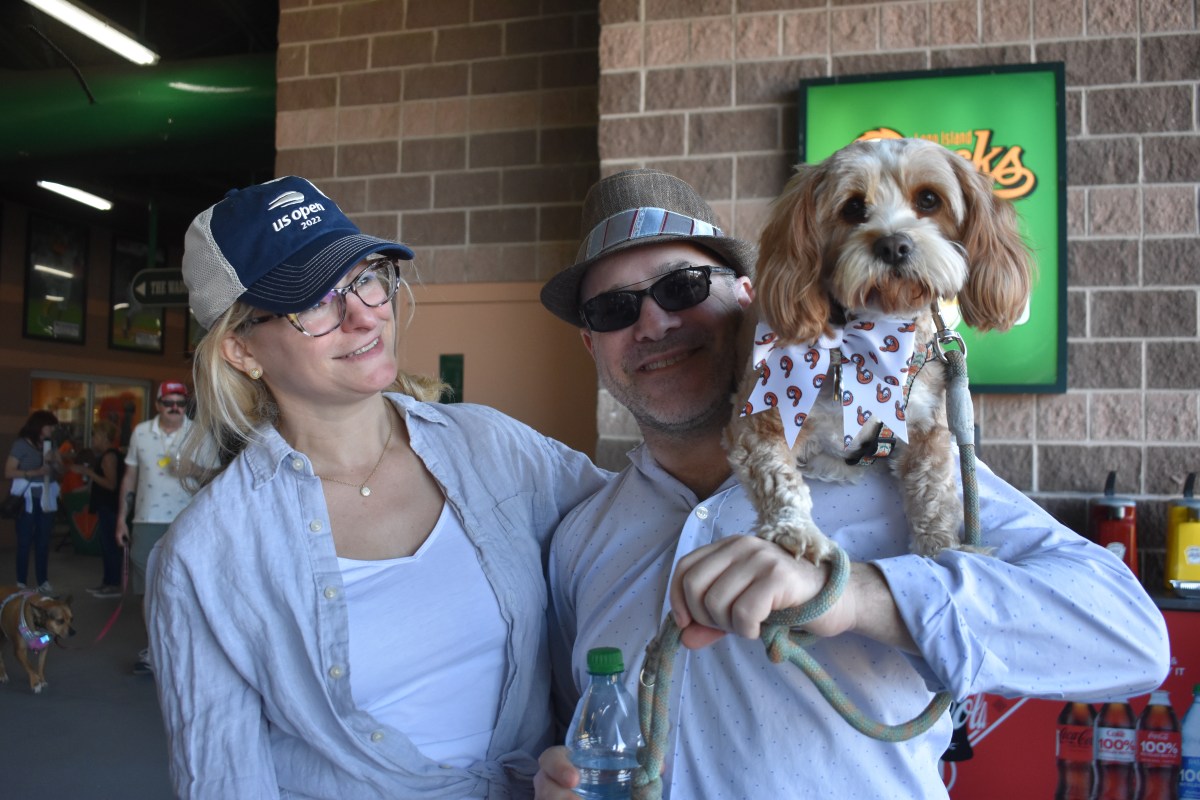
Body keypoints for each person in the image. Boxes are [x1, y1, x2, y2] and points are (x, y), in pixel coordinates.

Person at [533, 169, 1171, 798]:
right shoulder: (579, 543)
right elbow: (578, 730)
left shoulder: (893, 462)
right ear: (592, 344)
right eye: (613, 308)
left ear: (748, 294)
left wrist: (859, 597)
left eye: (683, 286)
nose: (651, 324)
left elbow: (1129, 638)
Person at [145, 175, 609, 800]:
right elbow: (224, 779)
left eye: (364, 277)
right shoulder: (206, 557)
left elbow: (639, 533)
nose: (364, 314)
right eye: (313, 300)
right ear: (241, 349)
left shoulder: (492, 448)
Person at [116, 380, 194, 675]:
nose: (174, 408)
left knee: (183, 587)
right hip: (146, 520)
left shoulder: (199, 433)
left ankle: (181, 649)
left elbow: (216, 477)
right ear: (158, 404)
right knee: (148, 590)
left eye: (180, 403)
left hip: (188, 522)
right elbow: (129, 477)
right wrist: (121, 518)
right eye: (168, 402)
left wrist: (193, 470)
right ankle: (155, 648)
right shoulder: (140, 432)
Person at [4, 410, 63, 593]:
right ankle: (21, 581)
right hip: (27, 498)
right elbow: (9, 471)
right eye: (49, 426)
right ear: (39, 426)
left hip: (47, 497)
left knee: (43, 540)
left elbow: (61, 471)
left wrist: (55, 462)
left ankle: (42, 580)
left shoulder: (51, 444)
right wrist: (34, 472)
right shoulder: (21, 445)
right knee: (24, 540)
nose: (52, 429)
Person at [72, 420, 125, 598]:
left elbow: (111, 484)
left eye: (95, 436)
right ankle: (107, 582)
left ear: (103, 437)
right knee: (107, 545)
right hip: (106, 506)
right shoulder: (107, 455)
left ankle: (113, 583)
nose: (93, 439)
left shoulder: (109, 457)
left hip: (109, 506)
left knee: (110, 546)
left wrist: (90, 474)